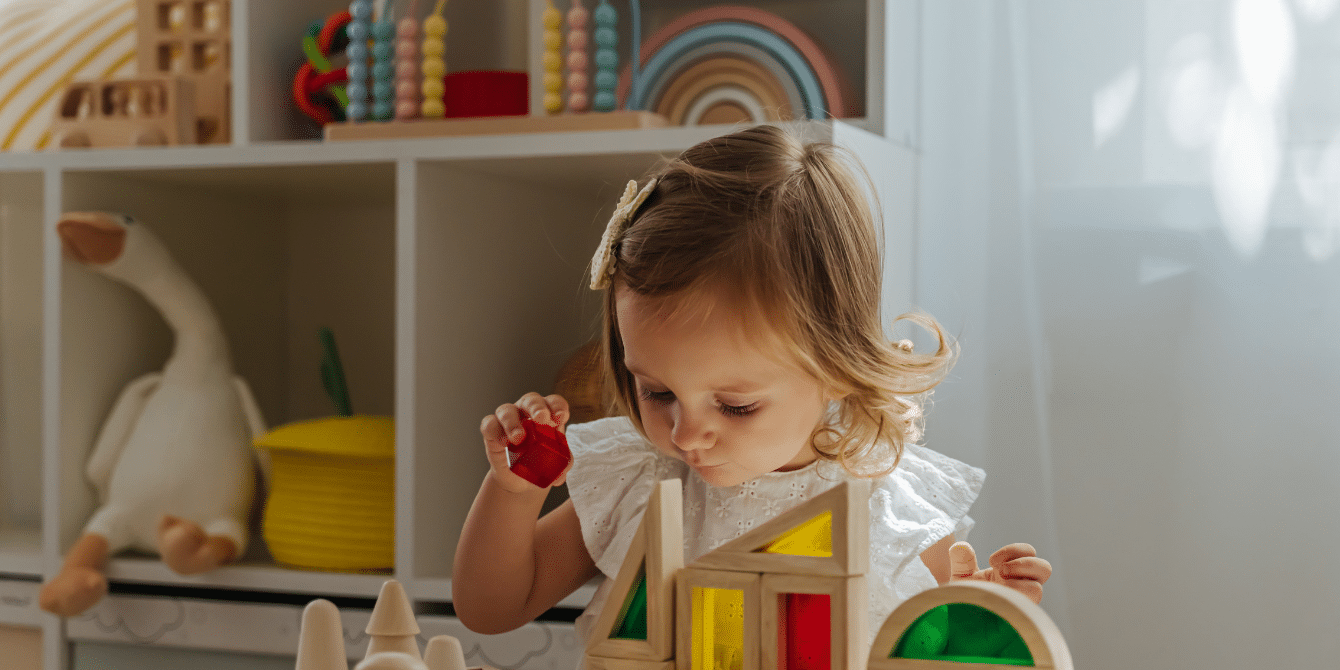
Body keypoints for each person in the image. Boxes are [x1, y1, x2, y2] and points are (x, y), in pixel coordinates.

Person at [452, 125, 1051, 650]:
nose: (686, 434)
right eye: (658, 393)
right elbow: (493, 609)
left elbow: (931, 650)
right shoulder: (641, 479)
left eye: (735, 406)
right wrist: (513, 492)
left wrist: (987, 618)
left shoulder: (888, 508)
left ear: (836, 369)